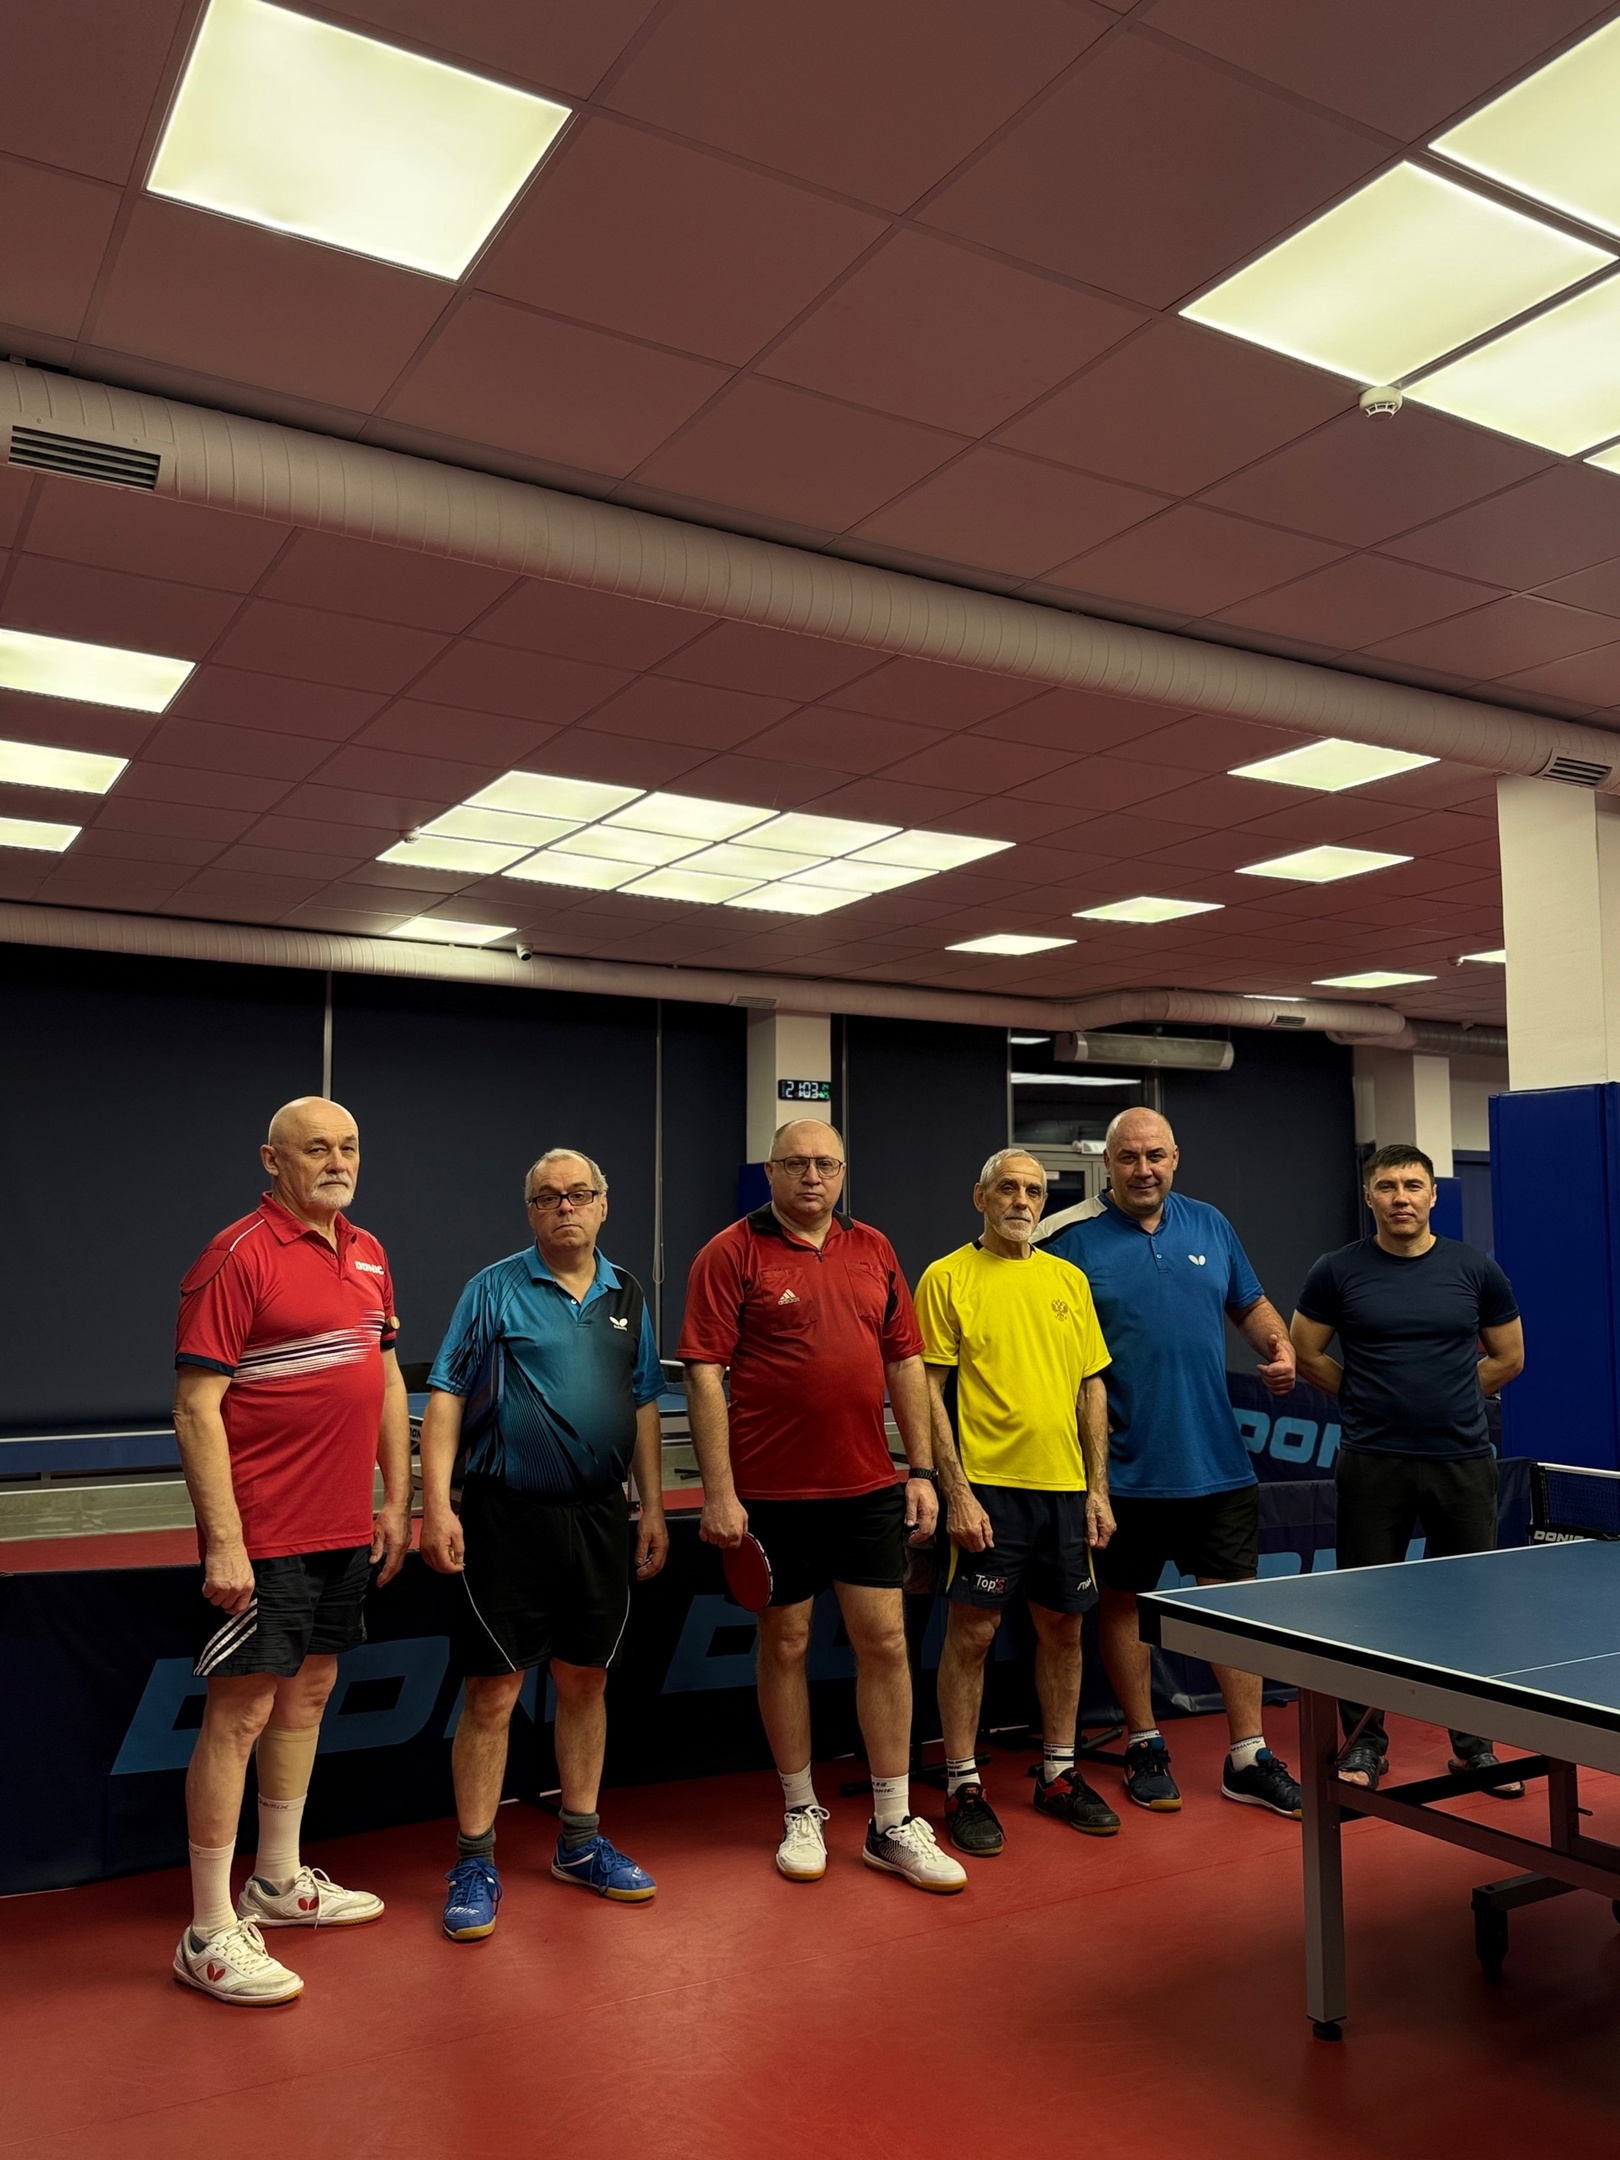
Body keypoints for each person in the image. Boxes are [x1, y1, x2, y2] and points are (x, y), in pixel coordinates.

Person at [680, 1119, 965, 1894]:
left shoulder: (874, 1248)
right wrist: (719, 1492)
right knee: (787, 1644)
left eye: (827, 1165)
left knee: (887, 1644)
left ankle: (892, 1822)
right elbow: (704, 1373)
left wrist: (921, 1470)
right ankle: (801, 1808)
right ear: (771, 1171)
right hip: (771, 1496)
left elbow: (904, 1360)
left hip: (867, 1488)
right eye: (798, 1163)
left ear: (842, 1173)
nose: (813, 1177)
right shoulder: (729, 1252)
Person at [171, 1097, 411, 2007]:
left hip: (344, 1524)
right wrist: (226, 1542)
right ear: (272, 1160)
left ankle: (274, 1880)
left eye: (349, 1146)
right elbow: (196, 1407)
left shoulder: (369, 1251)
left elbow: (385, 1374)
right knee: (240, 1714)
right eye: (317, 1148)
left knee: (308, 1692)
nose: (337, 1161)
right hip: (265, 1530)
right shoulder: (235, 1256)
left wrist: (396, 1497)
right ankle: (207, 1930)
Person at [420, 1148, 668, 1941]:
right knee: (494, 1691)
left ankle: (580, 1844)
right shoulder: (492, 1288)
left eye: (579, 1194)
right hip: (506, 1516)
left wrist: (652, 1508)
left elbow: (642, 1404)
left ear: (604, 1204)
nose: (565, 1207)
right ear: (531, 1211)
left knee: (586, 1681)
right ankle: (474, 1861)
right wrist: (436, 1505)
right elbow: (445, 1396)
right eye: (548, 1197)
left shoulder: (628, 1293)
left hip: (598, 1517)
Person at [1033, 1107, 1303, 1817]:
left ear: (1175, 1158)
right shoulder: (1064, 1239)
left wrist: (1278, 1346)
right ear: (1108, 1163)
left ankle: (1248, 1755)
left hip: (1217, 1459)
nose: (1143, 1169)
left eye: (1155, 1155)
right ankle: (1145, 1742)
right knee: (1124, 1604)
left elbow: (1251, 1305)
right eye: (1128, 1157)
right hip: (1121, 1468)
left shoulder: (1210, 1225)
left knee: (1232, 1608)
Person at [1290, 1143, 1525, 1792]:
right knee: (1367, 1611)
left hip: (1462, 1463)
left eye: (1413, 1186)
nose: (1401, 1198)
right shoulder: (1336, 1270)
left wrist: (1453, 1396)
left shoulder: (1474, 1268)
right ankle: (1365, 1746)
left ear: (1433, 1195)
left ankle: (1474, 1746)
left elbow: (1509, 1357)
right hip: (1373, 1463)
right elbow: (1307, 1352)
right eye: (1388, 1186)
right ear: (1369, 1196)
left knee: (1466, 1609)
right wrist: (1364, 1398)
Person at [916, 1150, 1118, 1857]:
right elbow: (928, 1390)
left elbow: (1091, 1387)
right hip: (988, 1491)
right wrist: (956, 1491)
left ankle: (1059, 1774)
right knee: (973, 1635)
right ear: (980, 1196)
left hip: (1064, 1489)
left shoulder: (1067, 1279)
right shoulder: (946, 1277)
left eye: (1034, 1190)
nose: (1022, 1201)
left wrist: (1097, 1489)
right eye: (1008, 1188)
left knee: (1063, 1630)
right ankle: (962, 1785)